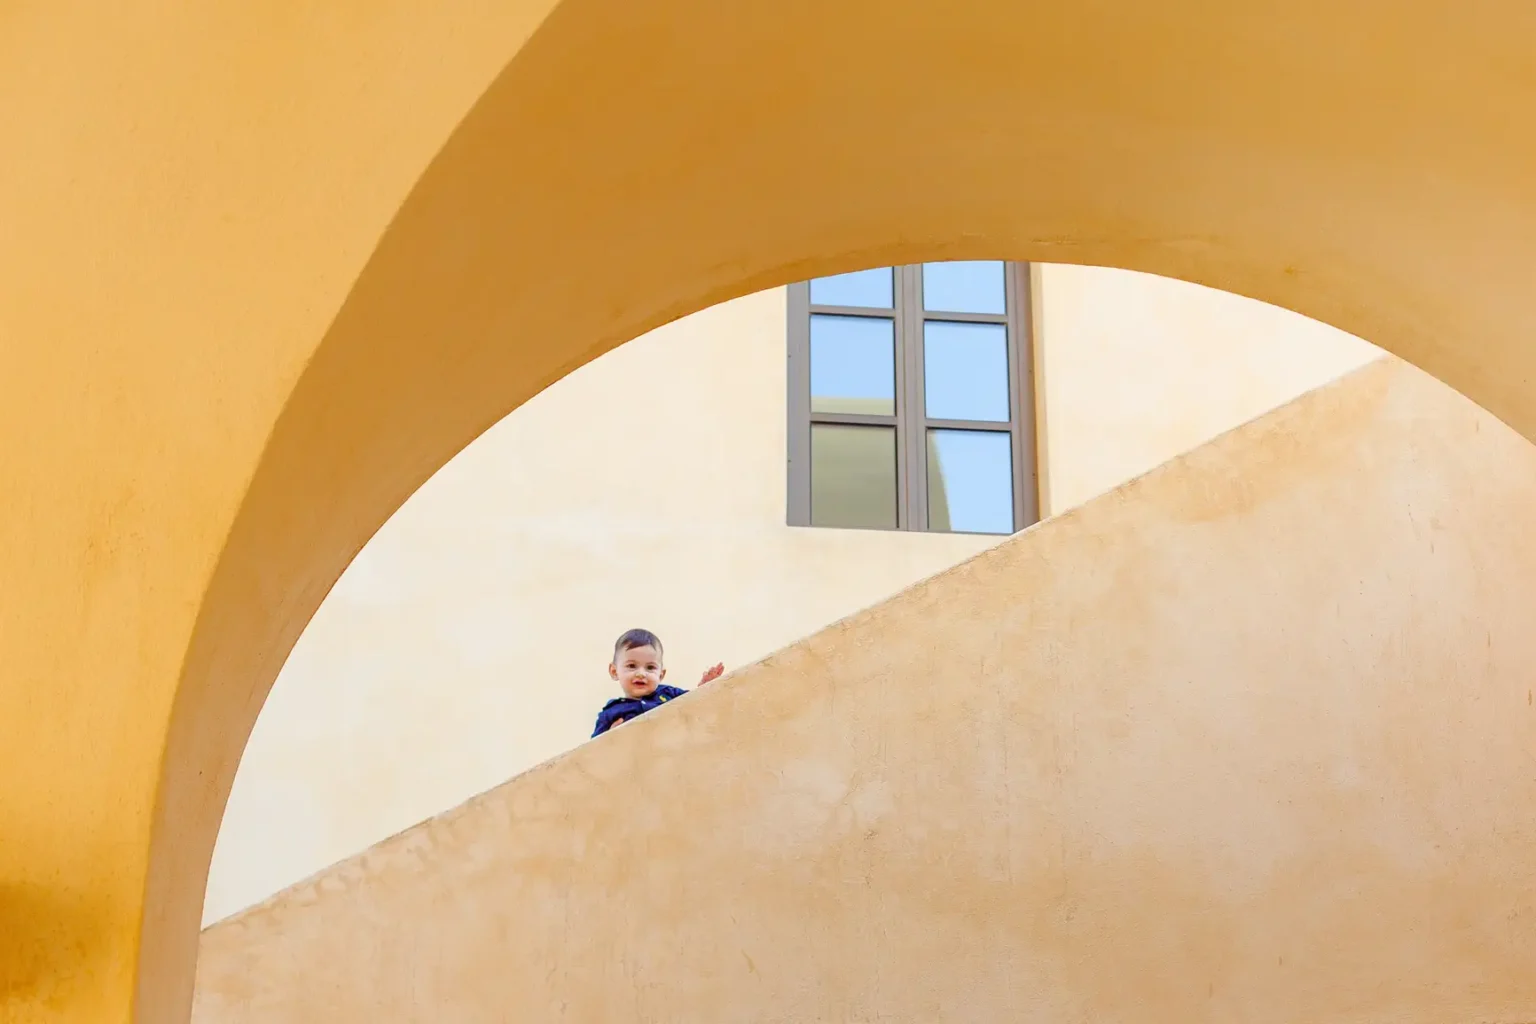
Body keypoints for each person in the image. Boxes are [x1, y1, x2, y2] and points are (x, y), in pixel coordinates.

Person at [591, 628, 724, 737]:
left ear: (661, 675)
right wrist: (609, 738)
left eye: (650, 667)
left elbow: (692, 704)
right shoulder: (611, 712)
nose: (641, 673)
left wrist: (704, 688)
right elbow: (588, 754)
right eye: (632, 666)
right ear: (614, 672)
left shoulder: (668, 694)